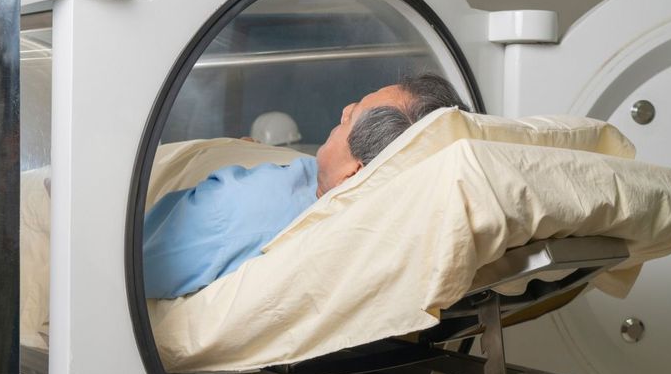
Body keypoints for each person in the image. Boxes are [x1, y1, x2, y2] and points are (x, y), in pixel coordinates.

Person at [143, 73, 469, 299]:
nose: (343, 111)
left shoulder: (238, 213)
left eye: (351, 117)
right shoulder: (337, 189)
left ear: (353, 175)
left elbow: (131, 272)